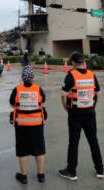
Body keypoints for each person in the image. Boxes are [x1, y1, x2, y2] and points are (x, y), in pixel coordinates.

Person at [59, 52, 104, 180]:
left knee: (74, 142)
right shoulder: (91, 74)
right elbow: (98, 93)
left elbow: (63, 94)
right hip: (90, 111)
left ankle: (71, 171)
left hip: (75, 113)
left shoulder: (71, 75)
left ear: (73, 63)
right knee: (93, 140)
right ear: (83, 62)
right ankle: (100, 169)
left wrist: (64, 107)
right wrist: (93, 106)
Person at [9, 65, 46, 184]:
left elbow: (12, 103)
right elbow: (43, 101)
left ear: (22, 77)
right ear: (32, 77)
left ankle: (23, 176)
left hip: (21, 125)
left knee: (23, 150)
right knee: (39, 149)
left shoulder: (17, 89)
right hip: (37, 124)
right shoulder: (38, 89)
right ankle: (41, 175)